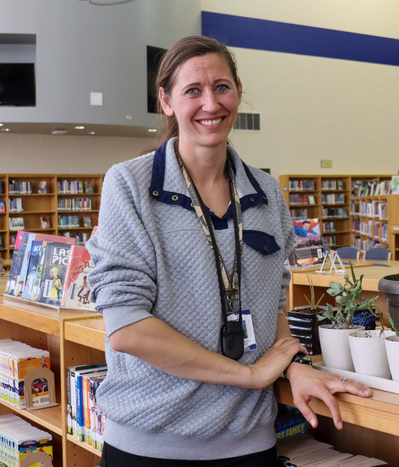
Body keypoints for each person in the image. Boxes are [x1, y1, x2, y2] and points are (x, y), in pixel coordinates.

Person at [87, 35, 370, 466]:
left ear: (238, 92)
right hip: (150, 446)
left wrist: (294, 367)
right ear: (166, 101)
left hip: (249, 445)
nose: (211, 104)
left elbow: (271, 306)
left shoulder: (267, 192)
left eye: (222, 87)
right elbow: (128, 329)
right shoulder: (129, 186)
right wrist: (250, 375)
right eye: (192, 91)